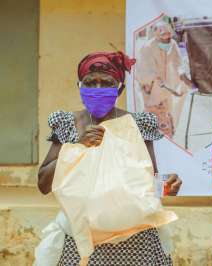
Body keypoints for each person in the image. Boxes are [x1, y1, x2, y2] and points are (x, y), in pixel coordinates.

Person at [37, 51, 182, 265]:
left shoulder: (138, 124)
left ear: (119, 88)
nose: (97, 89)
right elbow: (43, 184)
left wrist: (169, 185)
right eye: (90, 82)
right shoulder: (69, 123)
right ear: (79, 86)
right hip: (82, 240)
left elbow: (150, 181)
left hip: (136, 241)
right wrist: (77, 147)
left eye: (106, 83)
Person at [135, 21, 192, 138]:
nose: (167, 38)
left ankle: (168, 142)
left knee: (167, 123)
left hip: (167, 92)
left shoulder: (173, 44)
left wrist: (182, 75)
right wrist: (154, 78)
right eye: (163, 35)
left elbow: (178, 63)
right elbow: (142, 72)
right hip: (152, 93)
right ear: (156, 35)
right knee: (151, 125)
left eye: (168, 35)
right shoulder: (147, 47)